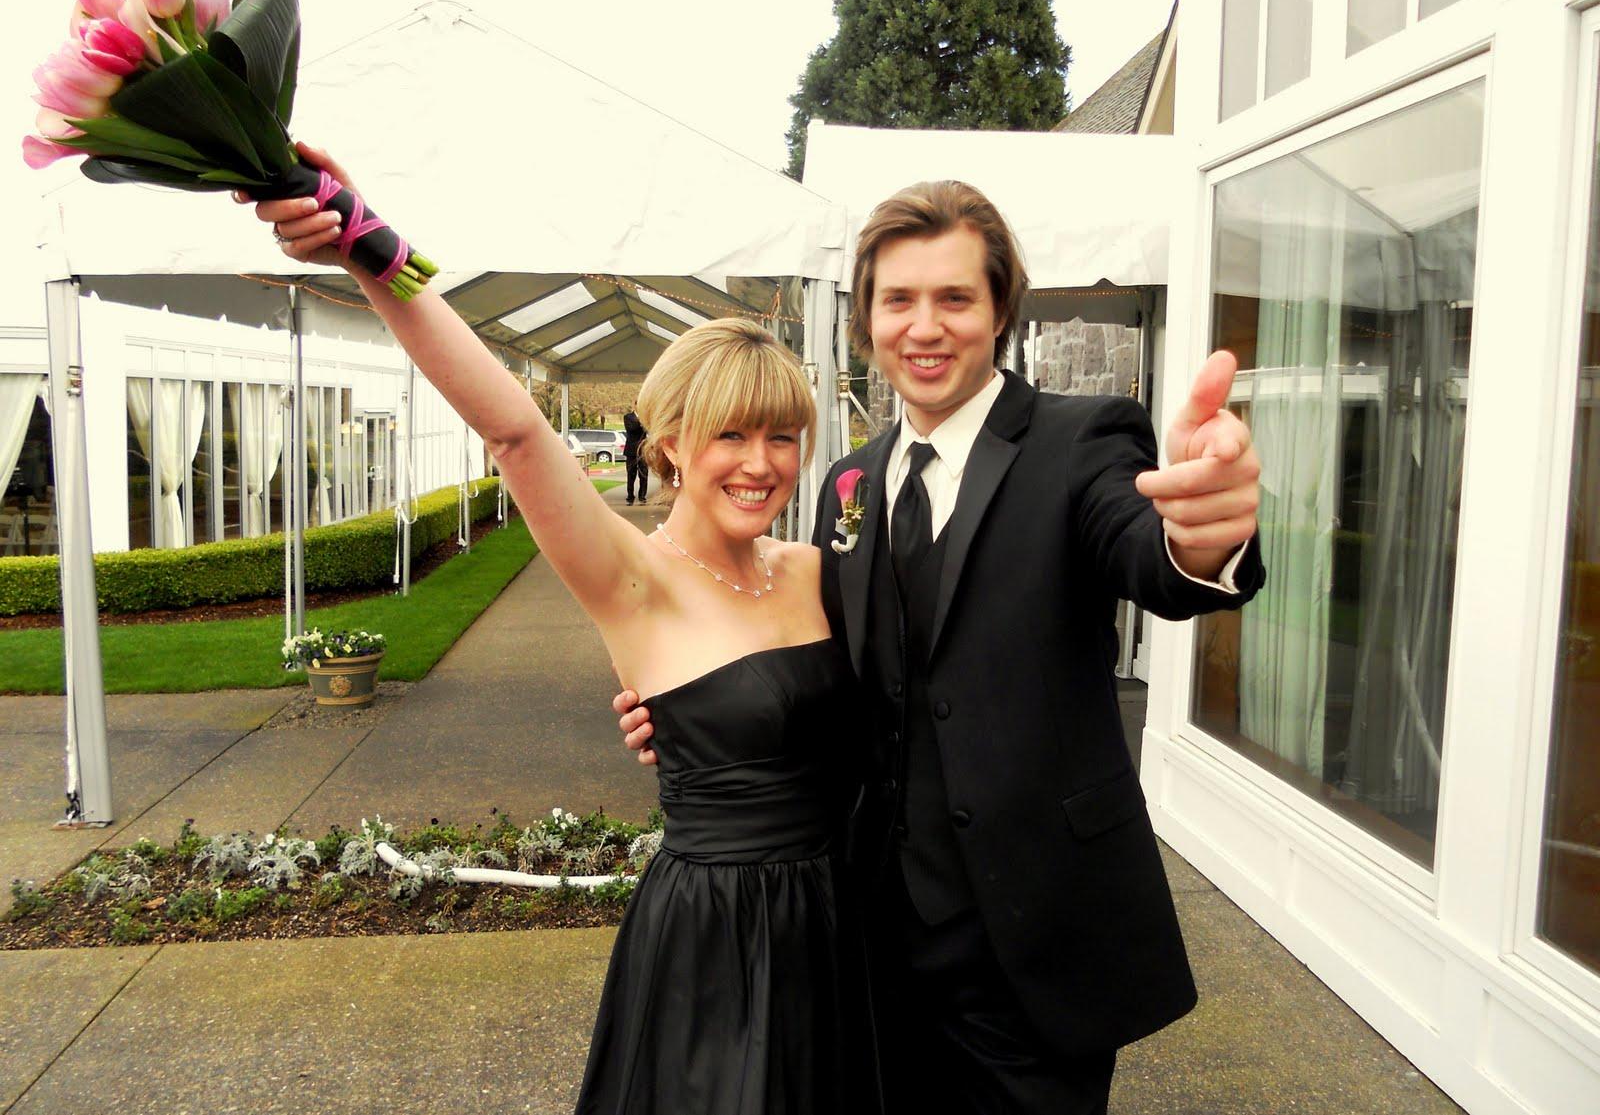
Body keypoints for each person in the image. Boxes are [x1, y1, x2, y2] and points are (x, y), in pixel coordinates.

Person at [239, 143, 879, 1115]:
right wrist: (371, 249)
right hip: (713, 942)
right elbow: (517, 431)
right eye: (730, 436)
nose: (761, 464)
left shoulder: (819, 573)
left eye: (781, 436)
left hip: (834, 923)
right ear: (668, 446)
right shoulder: (634, 579)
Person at [617, 180, 1265, 1114]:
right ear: (867, 321)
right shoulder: (848, 481)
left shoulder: (1081, 443)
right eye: (898, 299)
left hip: (1033, 943)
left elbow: (1149, 552)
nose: (925, 326)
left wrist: (1201, 532)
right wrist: (693, 706)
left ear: (1001, 309)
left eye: (955, 297)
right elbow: (814, 663)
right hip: (873, 937)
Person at [622, 409, 648, 504]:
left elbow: (648, 429)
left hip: (643, 450)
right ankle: (630, 497)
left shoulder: (646, 416)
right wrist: (641, 423)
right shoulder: (628, 417)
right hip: (631, 451)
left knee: (644, 474)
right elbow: (631, 428)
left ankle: (642, 496)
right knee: (631, 475)